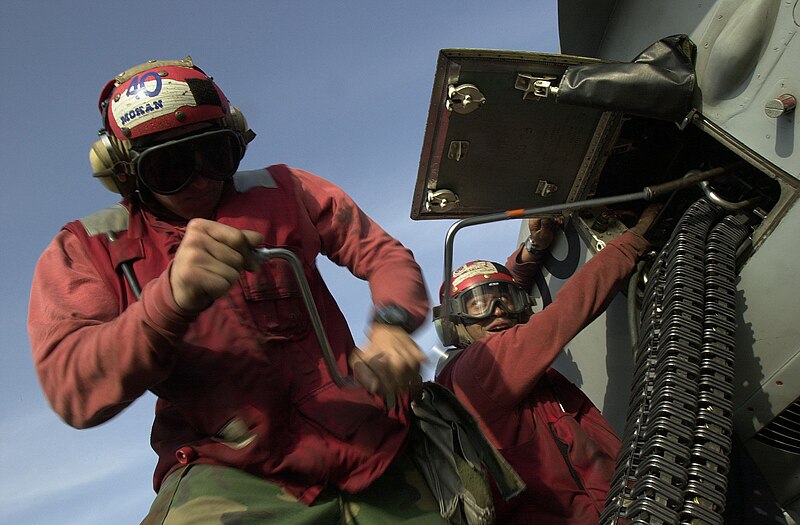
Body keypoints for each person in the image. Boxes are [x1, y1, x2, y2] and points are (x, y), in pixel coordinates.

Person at [28, 56, 447, 524]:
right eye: (169, 167)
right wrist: (168, 303)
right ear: (126, 173)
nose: (201, 180)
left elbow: (382, 254)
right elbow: (72, 389)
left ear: (237, 143)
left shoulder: (287, 191)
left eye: (214, 155)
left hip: (370, 446)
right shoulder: (87, 249)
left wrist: (392, 325)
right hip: (226, 470)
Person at [434, 208, 660, 525]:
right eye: (479, 305)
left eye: (505, 299)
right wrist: (632, 241)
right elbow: (565, 313)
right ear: (455, 322)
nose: (497, 311)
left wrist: (534, 248)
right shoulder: (481, 366)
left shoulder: (488, 370)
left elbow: (513, 297)